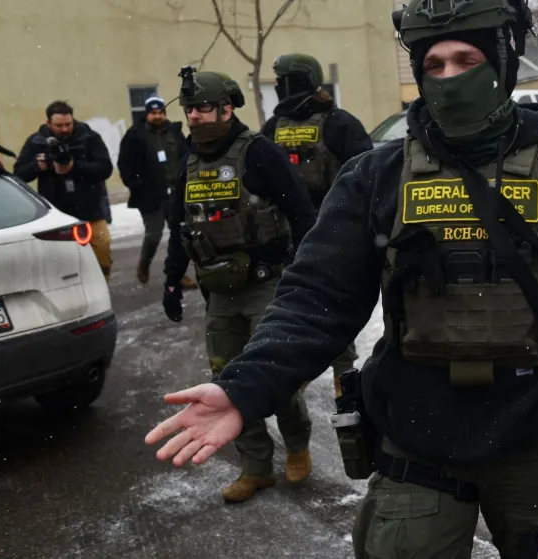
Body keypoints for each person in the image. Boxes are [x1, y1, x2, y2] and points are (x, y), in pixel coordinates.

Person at [145, 1, 538, 558]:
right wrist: (244, 388)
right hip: (417, 437)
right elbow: (316, 299)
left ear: (503, 61)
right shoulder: (376, 176)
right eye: (434, 65)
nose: (450, 78)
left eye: (466, 60)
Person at [160, 68, 317, 502]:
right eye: (189, 109)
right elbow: (180, 228)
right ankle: (256, 467)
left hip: (266, 284)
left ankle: (297, 444)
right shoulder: (190, 162)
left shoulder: (258, 152)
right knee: (226, 382)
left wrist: (303, 273)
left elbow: (302, 215)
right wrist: (171, 281)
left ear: (226, 109)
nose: (194, 116)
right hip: (219, 292)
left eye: (203, 108)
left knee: (273, 373)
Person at [262, 52, 375, 387]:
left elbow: (368, 180)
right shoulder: (273, 128)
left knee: (332, 311)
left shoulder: (339, 123)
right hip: (288, 237)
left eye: (283, 81)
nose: (279, 88)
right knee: (290, 315)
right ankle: (289, 390)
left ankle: (345, 389)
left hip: (332, 235)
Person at [14, 101, 115, 280]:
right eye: (59, 125)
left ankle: (102, 287)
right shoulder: (36, 142)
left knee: (102, 253)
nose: (65, 129)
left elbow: (105, 168)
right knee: (62, 264)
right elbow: (19, 173)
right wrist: (37, 166)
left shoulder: (89, 138)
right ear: (48, 123)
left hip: (90, 209)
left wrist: (74, 166)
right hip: (55, 213)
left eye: (68, 124)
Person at [117, 96, 197, 288]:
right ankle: (144, 264)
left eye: (160, 112)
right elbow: (125, 164)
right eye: (153, 113)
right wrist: (137, 185)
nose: (158, 116)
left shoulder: (174, 132)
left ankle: (177, 274)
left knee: (179, 234)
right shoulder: (135, 135)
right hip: (150, 194)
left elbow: (186, 155)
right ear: (147, 114)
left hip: (175, 192)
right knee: (154, 233)